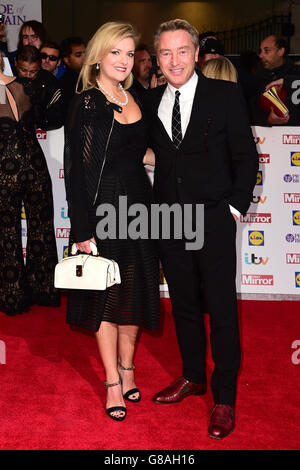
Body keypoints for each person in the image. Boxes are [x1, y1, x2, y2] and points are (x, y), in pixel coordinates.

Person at [144, 19, 258, 439]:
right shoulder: (150, 99)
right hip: (168, 220)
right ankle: (193, 376)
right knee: (185, 305)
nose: (174, 61)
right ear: (157, 58)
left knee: (223, 310)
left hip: (212, 218)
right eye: (165, 53)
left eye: (181, 51)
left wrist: (233, 209)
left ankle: (224, 397)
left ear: (196, 53)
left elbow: (246, 157)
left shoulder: (224, 94)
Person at [63, 22, 160, 422]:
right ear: (99, 56)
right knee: (106, 295)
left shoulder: (135, 95)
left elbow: (144, 153)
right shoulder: (87, 103)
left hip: (139, 206)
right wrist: (82, 230)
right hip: (103, 208)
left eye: (129, 52)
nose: (123, 60)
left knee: (134, 292)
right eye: (115, 52)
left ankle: (128, 365)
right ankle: (111, 382)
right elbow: (76, 169)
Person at [0, 51, 60, 316]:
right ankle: (43, 290)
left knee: (7, 232)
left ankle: (13, 296)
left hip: (6, 169)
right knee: (42, 229)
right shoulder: (22, 85)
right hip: (35, 165)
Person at [250, 35, 300, 126]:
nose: (261, 55)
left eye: (267, 51)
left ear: (281, 51)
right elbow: (248, 110)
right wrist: (267, 119)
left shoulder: (297, 72)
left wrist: (287, 82)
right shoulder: (255, 78)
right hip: (267, 137)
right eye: (260, 51)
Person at [14, 46, 63, 131]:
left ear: (39, 67)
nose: (28, 75)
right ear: (15, 62)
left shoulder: (49, 82)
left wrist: (38, 119)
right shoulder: (5, 80)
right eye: (23, 70)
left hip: (41, 136)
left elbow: (58, 117)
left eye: (33, 72)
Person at [58, 37, 86, 120]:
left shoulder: (95, 76)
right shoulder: (65, 83)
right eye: (78, 55)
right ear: (66, 60)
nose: (84, 57)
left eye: (86, 53)